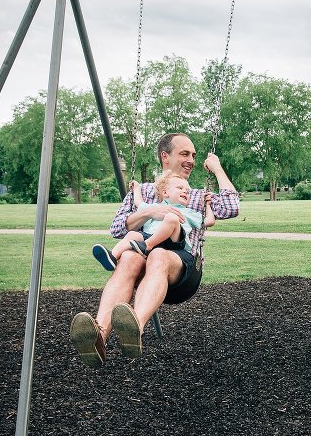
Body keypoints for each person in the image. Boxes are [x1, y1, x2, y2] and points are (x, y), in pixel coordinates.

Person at [70, 133, 239, 368]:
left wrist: (217, 168)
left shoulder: (197, 195)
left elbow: (231, 207)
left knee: (158, 255)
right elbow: (117, 227)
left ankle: (134, 327)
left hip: (182, 272)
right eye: (184, 154)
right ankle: (98, 335)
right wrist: (150, 212)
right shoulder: (145, 193)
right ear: (164, 156)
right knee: (129, 257)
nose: (191, 159)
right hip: (144, 262)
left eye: (193, 155)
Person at [91, 173, 215, 272]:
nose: (185, 192)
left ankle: (147, 246)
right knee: (132, 235)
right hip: (150, 237)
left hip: (174, 243)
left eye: (187, 191)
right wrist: (137, 188)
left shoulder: (188, 212)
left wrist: (207, 205)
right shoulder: (154, 207)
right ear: (165, 192)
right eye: (180, 188)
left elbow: (209, 221)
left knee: (171, 218)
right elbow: (138, 202)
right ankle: (113, 256)